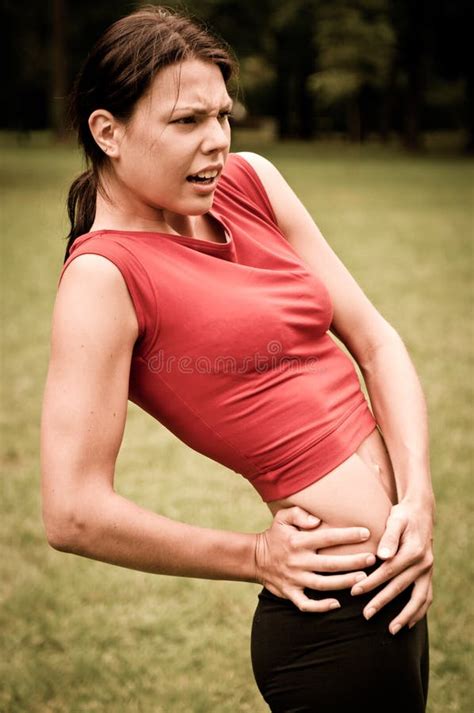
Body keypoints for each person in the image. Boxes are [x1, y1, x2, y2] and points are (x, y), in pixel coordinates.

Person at [40, 6, 435, 712]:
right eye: (187, 122)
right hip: (328, 615)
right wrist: (255, 554)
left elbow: (377, 341)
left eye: (223, 115)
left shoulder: (251, 183)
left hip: (397, 586)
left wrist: (417, 498)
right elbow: (72, 511)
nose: (218, 141)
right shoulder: (104, 277)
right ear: (108, 131)